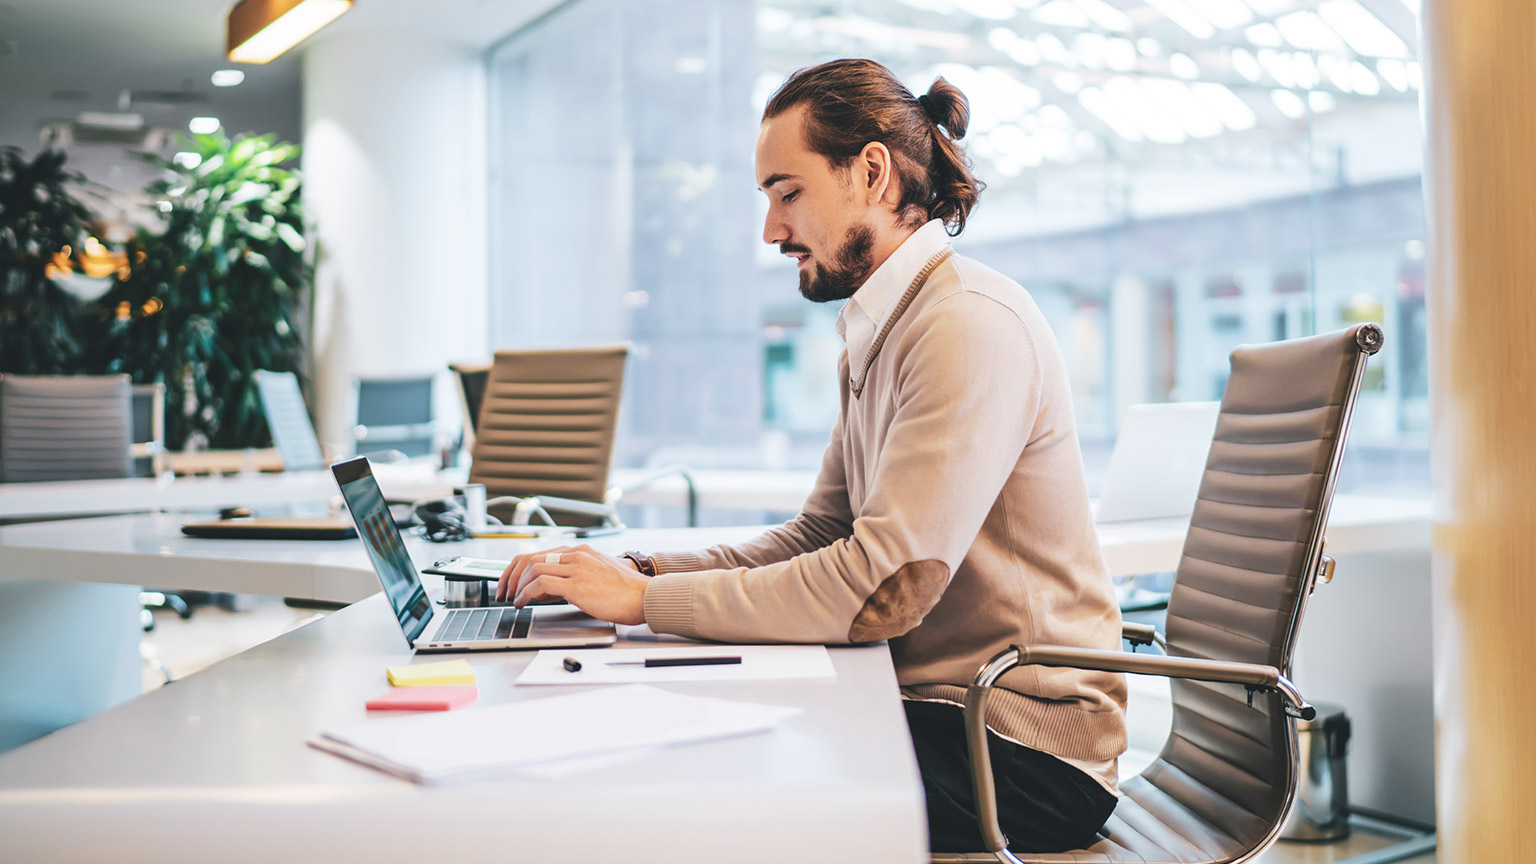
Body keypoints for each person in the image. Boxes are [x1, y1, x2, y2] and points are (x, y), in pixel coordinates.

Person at [496, 58, 1126, 853]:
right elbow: (819, 537)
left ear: (871, 173)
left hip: (1022, 750)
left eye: (787, 193)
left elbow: (878, 592)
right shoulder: (884, 331)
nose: (770, 231)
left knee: (695, 774)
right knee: (686, 739)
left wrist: (641, 606)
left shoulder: (965, 325)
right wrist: (642, 572)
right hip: (935, 710)